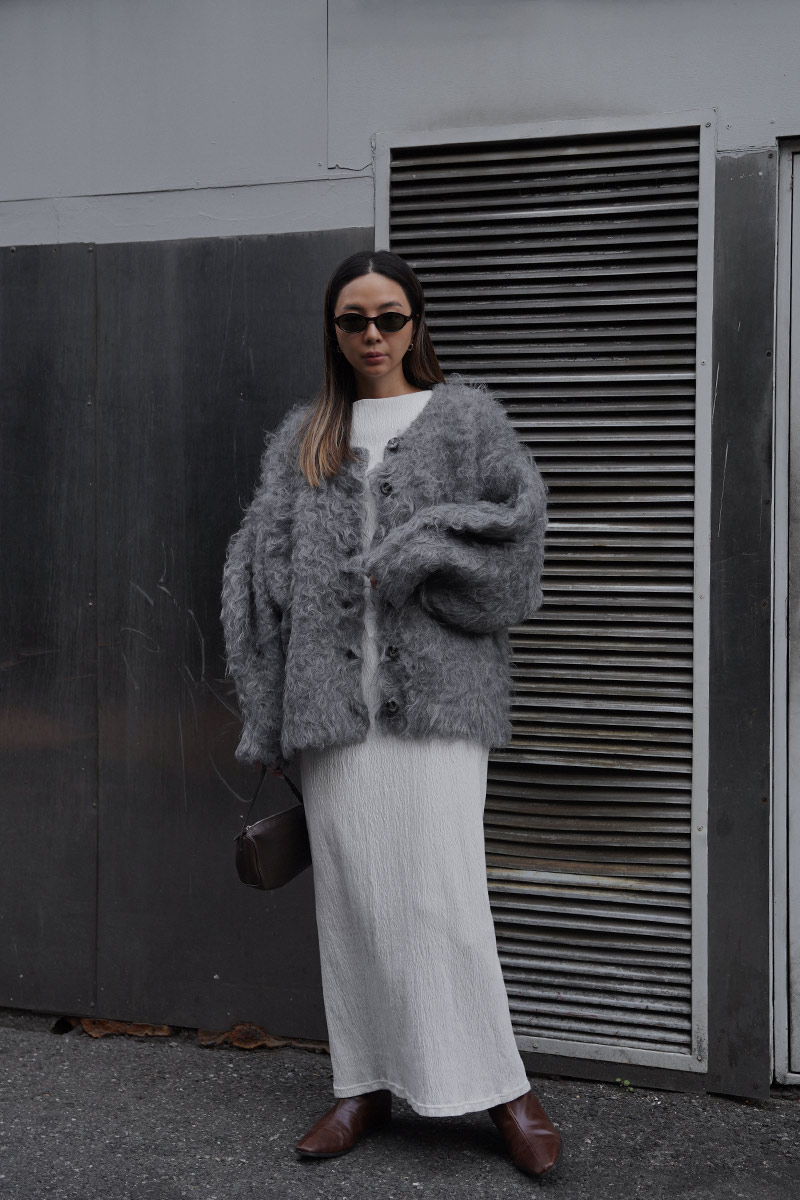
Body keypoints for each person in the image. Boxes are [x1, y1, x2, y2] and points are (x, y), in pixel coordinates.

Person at [220, 250, 561, 1180]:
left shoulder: (465, 418)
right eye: (353, 320)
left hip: (439, 705)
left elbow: (519, 542)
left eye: (389, 317)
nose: (372, 335)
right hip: (331, 711)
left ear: (416, 324)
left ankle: (503, 1090)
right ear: (333, 332)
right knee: (352, 897)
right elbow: (259, 582)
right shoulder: (306, 436)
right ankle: (361, 1083)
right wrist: (269, 712)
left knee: (445, 896)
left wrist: (421, 549)